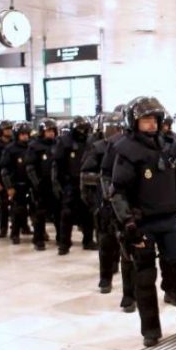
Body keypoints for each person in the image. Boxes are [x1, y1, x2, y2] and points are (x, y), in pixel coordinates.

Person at [111, 96, 176, 347]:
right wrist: (127, 223)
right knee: (144, 278)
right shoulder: (125, 149)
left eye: (154, 119)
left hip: (170, 220)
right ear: (134, 122)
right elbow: (118, 191)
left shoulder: (170, 145)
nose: (152, 124)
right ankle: (150, 330)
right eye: (146, 119)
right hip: (142, 222)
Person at [82, 112, 126, 292]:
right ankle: (105, 278)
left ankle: (130, 290)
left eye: (118, 129)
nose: (114, 132)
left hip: (124, 203)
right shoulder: (97, 147)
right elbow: (85, 175)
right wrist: (103, 180)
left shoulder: (128, 148)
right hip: (105, 202)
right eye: (110, 128)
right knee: (106, 243)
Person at [100, 106, 136, 313]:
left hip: (147, 206)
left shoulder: (154, 144)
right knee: (123, 250)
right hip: (118, 204)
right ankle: (128, 294)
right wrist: (109, 198)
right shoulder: (112, 145)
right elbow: (105, 176)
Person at [52, 115, 97, 255]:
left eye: (85, 128)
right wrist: (61, 183)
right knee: (67, 214)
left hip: (87, 182)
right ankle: (64, 244)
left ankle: (88, 240)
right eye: (81, 128)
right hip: (70, 183)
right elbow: (58, 164)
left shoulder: (91, 141)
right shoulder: (65, 142)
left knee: (88, 213)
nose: (83, 131)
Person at [26, 118, 60, 251]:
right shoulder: (35, 146)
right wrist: (36, 183)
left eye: (52, 131)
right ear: (42, 132)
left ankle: (60, 237)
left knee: (58, 213)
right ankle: (38, 239)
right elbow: (30, 167)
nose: (51, 133)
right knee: (40, 214)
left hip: (55, 185)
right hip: (41, 185)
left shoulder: (58, 144)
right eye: (48, 131)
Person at [0, 122, 33, 245]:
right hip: (17, 184)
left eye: (27, 134)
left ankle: (37, 232)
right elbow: (4, 170)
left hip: (31, 183)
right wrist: (9, 187)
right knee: (17, 210)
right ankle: (15, 234)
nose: (25, 137)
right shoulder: (10, 149)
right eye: (22, 134)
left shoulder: (31, 147)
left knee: (35, 209)